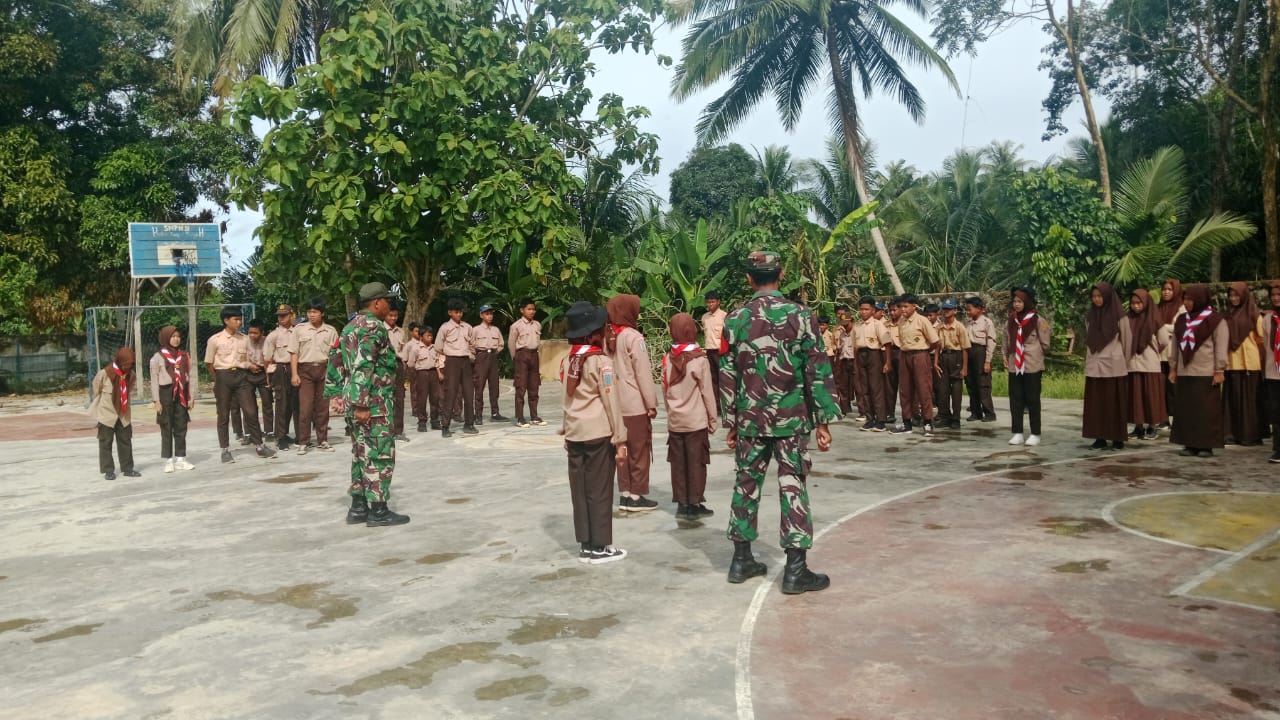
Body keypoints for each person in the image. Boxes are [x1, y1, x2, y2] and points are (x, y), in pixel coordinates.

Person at [721, 250, 840, 594]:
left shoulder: (735, 318)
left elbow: (727, 373)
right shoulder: (801, 316)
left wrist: (731, 420)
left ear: (748, 278)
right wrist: (823, 420)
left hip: (750, 419)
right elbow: (816, 369)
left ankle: (741, 560)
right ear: (781, 274)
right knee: (793, 486)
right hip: (790, 419)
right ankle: (795, 570)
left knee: (745, 485)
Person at [326, 282, 409, 527]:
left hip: (356, 401)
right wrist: (362, 404)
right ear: (376, 303)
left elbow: (335, 358)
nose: (389, 305)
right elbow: (364, 365)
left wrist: (336, 394)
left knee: (360, 454)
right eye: (387, 300)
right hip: (373, 404)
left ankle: (358, 507)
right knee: (380, 455)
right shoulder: (374, 328)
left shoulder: (350, 327)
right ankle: (379, 511)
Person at [560, 301, 628, 563]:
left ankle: (586, 544)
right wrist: (620, 439)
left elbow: (566, 399)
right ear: (592, 335)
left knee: (579, 489)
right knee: (599, 489)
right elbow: (611, 400)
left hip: (575, 433)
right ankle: (600, 547)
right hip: (598, 433)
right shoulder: (601, 362)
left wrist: (567, 430)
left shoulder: (569, 361)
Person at [662, 313, 718, 520]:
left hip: (675, 422)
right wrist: (712, 419)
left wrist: (671, 412)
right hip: (695, 422)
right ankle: (694, 503)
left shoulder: (668, 358)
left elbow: (664, 388)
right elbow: (707, 393)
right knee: (696, 463)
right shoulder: (699, 359)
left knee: (678, 464)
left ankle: (682, 503)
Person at [607, 294, 659, 512]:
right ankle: (637, 496)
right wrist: (651, 402)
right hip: (635, 402)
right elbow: (643, 373)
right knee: (639, 449)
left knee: (622, 449)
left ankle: (625, 494)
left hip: (615, 403)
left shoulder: (607, 336)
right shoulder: (634, 337)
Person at [207, 306, 276, 463]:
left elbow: (246, 359)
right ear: (226, 320)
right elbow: (209, 363)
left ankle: (259, 446)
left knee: (251, 411)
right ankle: (225, 450)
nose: (239, 322)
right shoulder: (215, 340)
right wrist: (218, 379)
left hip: (241, 376)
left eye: (240, 319)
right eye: (235, 319)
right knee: (223, 414)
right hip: (223, 376)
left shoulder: (244, 339)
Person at [1170, 285, 1229, 457]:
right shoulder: (1182, 320)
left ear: (1200, 300)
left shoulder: (1215, 320)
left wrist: (1219, 369)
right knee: (1187, 409)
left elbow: (1220, 346)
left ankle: (1205, 445)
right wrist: (1173, 367)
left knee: (1206, 410)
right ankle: (1189, 443)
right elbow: (1174, 345)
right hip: (1185, 371)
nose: (1187, 303)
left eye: (1190, 299)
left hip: (1205, 371)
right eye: (1185, 299)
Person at [1084, 282, 1132, 450]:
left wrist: (1123, 363)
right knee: (1097, 405)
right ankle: (1100, 437)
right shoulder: (1090, 315)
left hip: (1114, 367)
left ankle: (1117, 438)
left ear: (1108, 296)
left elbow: (1127, 341)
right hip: (1094, 367)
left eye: (1100, 296)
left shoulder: (1120, 316)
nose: (1097, 299)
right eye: (1094, 296)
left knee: (1114, 404)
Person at [290, 298, 338, 454]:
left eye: (315, 312)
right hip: (305, 371)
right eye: (309, 312)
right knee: (305, 407)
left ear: (322, 313)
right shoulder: (299, 329)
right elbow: (294, 353)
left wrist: (335, 375)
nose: (311, 315)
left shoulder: (330, 331)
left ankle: (322, 440)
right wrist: (294, 374)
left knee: (323, 408)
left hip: (324, 370)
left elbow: (335, 354)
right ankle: (303, 441)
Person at [1004, 288, 1051, 446]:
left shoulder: (1038, 320)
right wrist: (1006, 357)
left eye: (1020, 302)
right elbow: (1006, 340)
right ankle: (1017, 432)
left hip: (1032, 365)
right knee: (1015, 399)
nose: (1016, 305)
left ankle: (1035, 433)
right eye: (1015, 301)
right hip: (1014, 365)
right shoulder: (1011, 320)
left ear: (1027, 302)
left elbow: (1045, 343)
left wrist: (1034, 354)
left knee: (1032, 399)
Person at [890, 294, 940, 436]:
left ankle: (928, 422)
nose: (903, 309)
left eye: (906, 306)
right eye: (901, 307)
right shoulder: (901, 322)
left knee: (924, 388)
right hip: (905, 355)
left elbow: (935, 341)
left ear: (914, 306)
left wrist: (923, 352)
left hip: (920, 355)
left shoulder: (922, 321)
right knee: (905, 389)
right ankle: (907, 423)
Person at [89, 347, 140, 480]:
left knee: (126, 440)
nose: (128, 366)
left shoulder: (131, 375)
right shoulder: (105, 373)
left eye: (130, 363)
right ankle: (108, 470)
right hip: (107, 413)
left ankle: (128, 468)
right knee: (105, 442)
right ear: (119, 361)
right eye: (125, 363)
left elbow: (131, 387)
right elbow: (96, 387)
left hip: (123, 414)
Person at [1223, 282, 1263, 446]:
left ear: (1244, 295)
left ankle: (1250, 435)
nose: (1233, 298)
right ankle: (1232, 433)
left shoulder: (1254, 314)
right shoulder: (1227, 315)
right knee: (1233, 400)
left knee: (1249, 401)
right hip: (1232, 362)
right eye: (1231, 295)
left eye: (1236, 295)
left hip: (1249, 364)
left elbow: (1260, 338)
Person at [1125, 289, 1169, 441]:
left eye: (1139, 303)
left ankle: (1152, 426)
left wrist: (1154, 351)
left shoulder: (1155, 319)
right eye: (1133, 303)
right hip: (1132, 364)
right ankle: (1138, 427)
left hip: (1149, 364)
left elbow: (1163, 340)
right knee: (1136, 397)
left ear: (1146, 303)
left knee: (1150, 396)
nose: (1136, 306)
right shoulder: (1127, 319)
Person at [150, 326, 194, 473]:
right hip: (165, 394)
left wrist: (191, 397)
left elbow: (191, 376)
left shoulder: (184, 356)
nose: (176, 339)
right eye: (172, 336)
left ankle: (181, 458)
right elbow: (154, 380)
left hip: (181, 394)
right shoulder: (158, 357)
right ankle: (168, 460)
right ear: (165, 338)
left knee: (181, 427)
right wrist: (156, 400)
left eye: (178, 336)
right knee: (166, 427)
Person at [436, 298, 478, 437]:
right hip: (452, 361)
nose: (459, 315)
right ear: (450, 312)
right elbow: (438, 347)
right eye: (456, 312)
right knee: (451, 393)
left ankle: (469, 424)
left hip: (466, 361)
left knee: (468, 392)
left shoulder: (468, 327)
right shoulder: (445, 328)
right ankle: (445, 426)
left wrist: (470, 357)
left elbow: (472, 344)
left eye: (460, 312)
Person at [853, 296, 892, 432]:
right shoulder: (857, 326)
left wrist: (887, 362)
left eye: (866, 309)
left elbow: (886, 344)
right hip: (861, 356)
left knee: (876, 388)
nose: (863, 312)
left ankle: (880, 420)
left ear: (872, 310)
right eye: (861, 309)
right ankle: (870, 418)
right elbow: (854, 345)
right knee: (864, 389)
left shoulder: (877, 324)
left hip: (874, 355)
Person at [264, 304, 298, 450]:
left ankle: (296, 434)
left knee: (295, 403)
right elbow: (267, 358)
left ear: (292, 315)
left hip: (296, 369)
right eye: (279, 315)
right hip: (280, 368)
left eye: (284, 315)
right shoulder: (274, 335)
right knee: (281, 403)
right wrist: (269, 378)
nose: (281, 318)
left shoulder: (298, 332)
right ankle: (280, 436)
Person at [934, 299, 971, 430]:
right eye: (944, 309)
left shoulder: (960, 327)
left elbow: (965, 348)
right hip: (944, 357)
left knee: (956, 390)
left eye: (949, 309)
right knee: (942, 390)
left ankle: (956, 418)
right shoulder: (940, 327)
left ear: (955, 311)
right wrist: (935, 362)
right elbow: (937, 346)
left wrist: (965, 368)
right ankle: (944, 416)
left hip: (956, 357)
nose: (946, 312)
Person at [508, 297, 543, 427]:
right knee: (521, 387)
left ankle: (534, 416)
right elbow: (511, 344)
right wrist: (516, 358)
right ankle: (520, 417)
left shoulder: (537, 324)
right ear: (522, 310)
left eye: (533, 309)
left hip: (535, 355)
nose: (532, 311)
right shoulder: (516, 326)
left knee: (534, 387)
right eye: (529, 309)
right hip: (522, 355)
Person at [471, 304, 508, 424]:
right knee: (479, 386)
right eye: (487, 313)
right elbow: (470, 345)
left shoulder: (495, 330)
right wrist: (475, 357)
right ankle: (478, 415)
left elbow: (501, 344)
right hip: (480, 357)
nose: (490, 316)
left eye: (491, 313)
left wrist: (493, 353)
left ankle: (495, 412)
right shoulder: (475, 330)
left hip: (492, 356)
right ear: (481, 315)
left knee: (494, 386)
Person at [1155, 279, 1184, 430]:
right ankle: (1163, 418)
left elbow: (1181, 327)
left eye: (1169, 289)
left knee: (1174, 387)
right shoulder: (1157, 308)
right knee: (1160, 387)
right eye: (1164, 289)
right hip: (1159, 353)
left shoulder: (1181, 308)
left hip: (1173, 353)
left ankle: (1178, 418)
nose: (1166, 292)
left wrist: (1163, 327)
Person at [963, 296, 997, 422]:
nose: (968, 312)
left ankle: (989, 413)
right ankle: (975, 412)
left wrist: (987, 361)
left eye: (970, 309)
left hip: (980, 352)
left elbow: (991, 342)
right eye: (967, 309)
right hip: (969, 352)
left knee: (983, 384)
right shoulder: (968, 323)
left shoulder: (987, 322)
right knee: (971, 383)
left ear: (979, 309)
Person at [404, 324, 443, 431]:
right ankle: (422, 421)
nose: (430, 337)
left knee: (435, 398)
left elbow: (437, 362)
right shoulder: (416, 349)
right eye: (427, 335)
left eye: (431, 335)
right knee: (422, 398)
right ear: (421, 336)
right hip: (421, 374)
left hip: (433, 373)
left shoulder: (435, 348)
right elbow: (411, 363)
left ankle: (435, 421)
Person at [1260, 281, 1280, 463]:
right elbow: (1267, 346)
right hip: (1274, 372)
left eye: (1278, 294)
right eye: (1273, 295)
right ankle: (1278, 448)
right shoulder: (1268, 320)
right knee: (1276, 410)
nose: (1275, 298)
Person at [385, 305, 411, 442]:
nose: (393, 318)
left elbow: (403, 350)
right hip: (385, 366)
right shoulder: (380, 329)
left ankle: (398, 431)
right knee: (385, 399)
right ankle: (386, 431)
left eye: (395, 315)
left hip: (398, 365)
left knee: (399, 398)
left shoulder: (401, 331)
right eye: (390, 315)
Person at [244, 319, 272, 440]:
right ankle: (250, 433)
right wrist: (249, 366)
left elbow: (271, 358)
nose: (252, 335)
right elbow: (238, 358)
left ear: (261, 332)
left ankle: (269, 431)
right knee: (249, 406)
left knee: (267, 403)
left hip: (263, 373)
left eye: (255, 333)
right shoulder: (243, 341)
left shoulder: (267, 341)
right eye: (250, 332)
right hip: (248, 373)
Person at [701, 291, 727, 414]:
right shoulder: (704, 317)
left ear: (718, 302)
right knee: (712, 380)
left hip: (720, 351)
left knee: (723, 378)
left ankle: (725, 405)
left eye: (712, 302)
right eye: (708, 302)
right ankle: (716, 406)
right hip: (709, 351)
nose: (710, 304)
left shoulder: (724, 316)